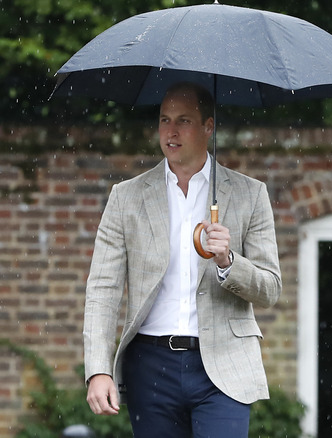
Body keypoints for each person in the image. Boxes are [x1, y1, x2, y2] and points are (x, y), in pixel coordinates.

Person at [83, 82, 282, 437]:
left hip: (224, 364)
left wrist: (229, 261)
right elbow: (103, 288)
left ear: (209, 126)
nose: (170, 132)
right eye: (164, 120)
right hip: (150, 364)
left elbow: (270, 289)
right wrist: (98, 369)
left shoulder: (251, 194)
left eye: (184, 121)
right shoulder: (125, 198)